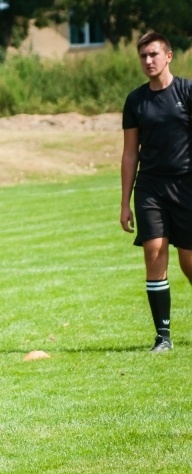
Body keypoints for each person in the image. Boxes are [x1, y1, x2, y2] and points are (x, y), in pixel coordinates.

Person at [121, 31, 192, 353]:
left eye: (153, 54)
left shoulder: (187, 92)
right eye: (143, 56)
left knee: (189, 263)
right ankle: (162, 336)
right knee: (154, 252)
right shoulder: (136, 101)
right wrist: (124, 202)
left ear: (168, 56)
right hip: (149, 186)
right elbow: (130, 153)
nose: (148, 61)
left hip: (186, 185)